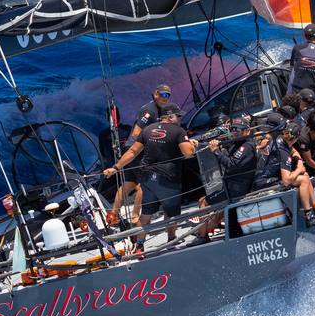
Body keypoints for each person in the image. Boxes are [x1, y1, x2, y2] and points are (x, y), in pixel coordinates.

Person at [104, 102, 195, 253]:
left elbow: (133, 151)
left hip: (147, 179)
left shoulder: (148, 129)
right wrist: (191, 144)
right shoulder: (178, 131)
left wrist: (115, 168)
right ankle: (172, 239)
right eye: (177, 116)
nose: (179, 119)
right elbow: (188, 153)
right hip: (168, 180)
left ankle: (139, 246)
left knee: (145, 214)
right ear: (169, 117)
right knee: (171, 212)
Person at [109, 84, 174, 226]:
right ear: (155, 94)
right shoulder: (149, 111)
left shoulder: (161, 110)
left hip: (134, 151)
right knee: (146, 185)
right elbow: (136, 133)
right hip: (136, 151)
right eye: (163, 95)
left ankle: (112, 216)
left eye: (168, 95)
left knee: (129, 184)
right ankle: (135, 217)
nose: (165, 98)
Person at [254, 115, 315, 223]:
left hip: (264, 177)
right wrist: (299, 169)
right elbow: (286, 180)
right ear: (296, 138)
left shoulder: (280, 139)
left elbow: (293, 150)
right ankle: (309, 217)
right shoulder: (283, 151)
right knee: (304, 179)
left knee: (305, 176)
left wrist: (299, 160)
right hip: (263, 182)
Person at [209, 116, 259, 202]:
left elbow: (231, 165)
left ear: (247, 131)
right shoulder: (237, 143)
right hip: (231, 185)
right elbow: (228, 156)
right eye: (233, 129)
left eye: (238, 130)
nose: (235, 132)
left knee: (204, 202)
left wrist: (216, 151)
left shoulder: (247, 146)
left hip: (237, 189)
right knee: (203, 200)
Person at [286, 24, 315, 98]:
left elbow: (292, 68)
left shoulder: (297, 48)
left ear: (305, 35)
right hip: (312, 94)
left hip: (295, 91)